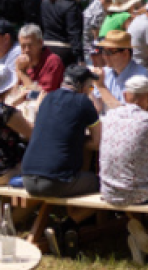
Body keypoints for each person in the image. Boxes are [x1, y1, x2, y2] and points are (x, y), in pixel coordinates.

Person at [21, 64, 102, 199]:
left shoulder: (47, 98)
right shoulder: (83, 101)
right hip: (56, 182)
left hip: (27, 179)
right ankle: (83, 220)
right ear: (80, 86)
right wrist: (73, 140)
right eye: (90, 87)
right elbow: (96, 142)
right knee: (100, 182)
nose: (90, 90)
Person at [97, 75, 148, 205]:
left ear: (125, 95)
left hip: (109, 192)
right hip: (138, 195)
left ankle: (136, 223)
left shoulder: (110, 115)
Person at [92, 31, 148, 112]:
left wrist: (101, 87)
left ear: (125, 53)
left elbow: (127, 113)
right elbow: (97, 108)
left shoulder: (140, 76)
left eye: (109, 52)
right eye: (103, 51)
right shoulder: (105, 72)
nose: (104, 56)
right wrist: (88, 86)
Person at [41, 0, 89, 66]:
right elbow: (74, 34)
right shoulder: (71, 6)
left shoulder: (45, 2)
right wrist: (80, 59)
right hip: (64, 52)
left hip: (45, 49)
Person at [13, 24, 65, 94]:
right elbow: (13, 93)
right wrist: (19, 71)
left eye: (30, 45)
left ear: (40, 43)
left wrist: (22, 72)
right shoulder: (22, 62)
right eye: (23, 46)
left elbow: (40, 95)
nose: (26, 50)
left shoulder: (53, 61)